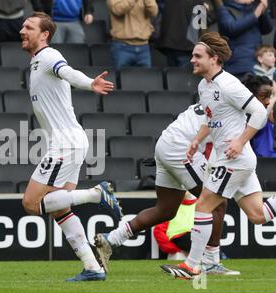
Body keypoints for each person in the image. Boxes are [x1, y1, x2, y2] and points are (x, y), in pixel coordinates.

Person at [161, 32, 276, 279]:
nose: (192, 59)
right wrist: (196, 140)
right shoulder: (205, 85)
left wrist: (240, 140)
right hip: (234, 158)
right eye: (193, 55)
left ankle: (192, 266)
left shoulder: (229, 85)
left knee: (203, 205)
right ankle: (197, 265)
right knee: (258, 215)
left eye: (197, 56)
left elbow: (259, 112)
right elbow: (210, 118)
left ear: (214, 59)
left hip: (234, 158)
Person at [20, 12, 122, 282]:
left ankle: (95, 194)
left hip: (65, 144)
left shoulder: (48, 55)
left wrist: (90, 83)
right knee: (60, 209)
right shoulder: (36, 62)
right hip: (72, 141)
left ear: (44, 35)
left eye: (29, 27)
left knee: (31, 203)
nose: (22, 30)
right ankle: (93, 267)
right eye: (23, 26)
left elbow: (67, 72)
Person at [94, 101, 239, 275]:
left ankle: (112, 239)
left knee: (165, 210)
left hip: (166, 144)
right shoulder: (234, 108)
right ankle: (210, 262)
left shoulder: (213, 98)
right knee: (217, 201)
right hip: (181, 148)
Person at [214, 0, 273, 79]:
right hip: (238, 66)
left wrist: (263, 7)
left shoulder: (253, 8)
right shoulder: (225, 9)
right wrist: (256, 13)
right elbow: (231, 28)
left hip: (258, 63)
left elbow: (267, 29)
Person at [107, 0, 159, 70]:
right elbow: (117, 10)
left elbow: (154, 12)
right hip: (122, 46)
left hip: (144, 47)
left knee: (145, 80)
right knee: (119, 79)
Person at [153, 193, 197, 260]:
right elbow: (158, 231)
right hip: (179, 239)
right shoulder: (170, 207)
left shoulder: (201, 205)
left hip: (194, 238)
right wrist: (175, 249)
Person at [246, 75, 276, 157]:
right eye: (263, 97)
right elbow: (262, 115)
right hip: (261, 163)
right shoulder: (245, 116)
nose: (268, 102)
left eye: (270, 96)